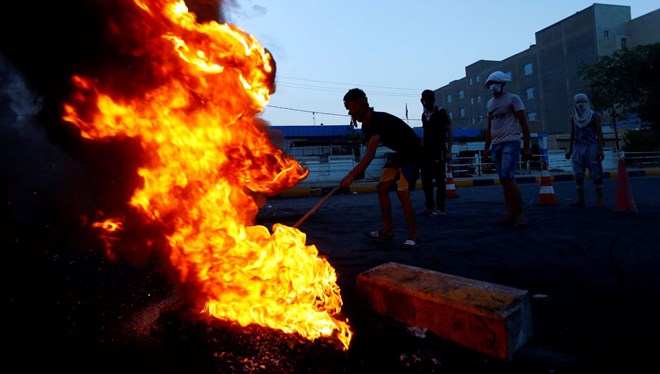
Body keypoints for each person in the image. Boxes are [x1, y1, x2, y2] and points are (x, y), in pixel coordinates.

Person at [339, 88, 423, 250]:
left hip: (412, 152)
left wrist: (351, 175)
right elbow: (367, 152)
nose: (350, 112)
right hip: (400, 153)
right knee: (382, 188)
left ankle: (414, 237)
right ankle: (388, 230)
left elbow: (370, 154)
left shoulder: (378, 121)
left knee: (402, 192)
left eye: (351, 107)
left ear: (361, 104)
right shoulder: (366, 127)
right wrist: (359, 172)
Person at [482, 71, 532, 227]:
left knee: (508, 178)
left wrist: (527, 147)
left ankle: (520, 215)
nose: (493, 86)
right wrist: (486, 148)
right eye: (491, 83)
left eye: (496, 82)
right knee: (504, 181)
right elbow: (489, 127)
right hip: (496, 145)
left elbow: (524, 124)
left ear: (503, 84)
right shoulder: (490, 104)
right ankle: (511, 214)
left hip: (511, 142)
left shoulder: (513, 99)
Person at [565, 93, 605, 208]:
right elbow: (572, 134)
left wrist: (600, 149)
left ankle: (599, 201)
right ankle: (581, 200)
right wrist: (570, 150)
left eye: (582, 101)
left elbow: (599, 132)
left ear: (587, 102)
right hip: (577, 148)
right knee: (578, 175)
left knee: (596, 174)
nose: (580, 104)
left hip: (591, 147)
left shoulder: (595, 116)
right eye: (577, 102)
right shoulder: (573, 118)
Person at [418, 89, 453, 217]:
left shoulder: (441, 112)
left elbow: (449, 131)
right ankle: (430, 207)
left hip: (439, 151)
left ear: (434, 100)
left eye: (429, 100)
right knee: (426, 180)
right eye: (425, 100)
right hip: (426, 152)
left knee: (439, 180)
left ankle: (440, 209)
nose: (427, 102)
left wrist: (449, 151)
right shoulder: (424, 115)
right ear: (422, 101)